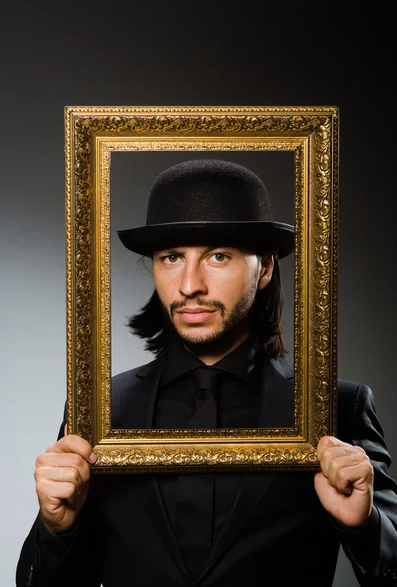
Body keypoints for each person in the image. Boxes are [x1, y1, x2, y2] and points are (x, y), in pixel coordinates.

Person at [16, 159, 397, 587]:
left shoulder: (336, 407)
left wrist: (364, 525)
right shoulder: (102, 409)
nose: (189, 285)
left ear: (266, 267)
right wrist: (57, 528)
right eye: (172, 257)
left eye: (218, 256)